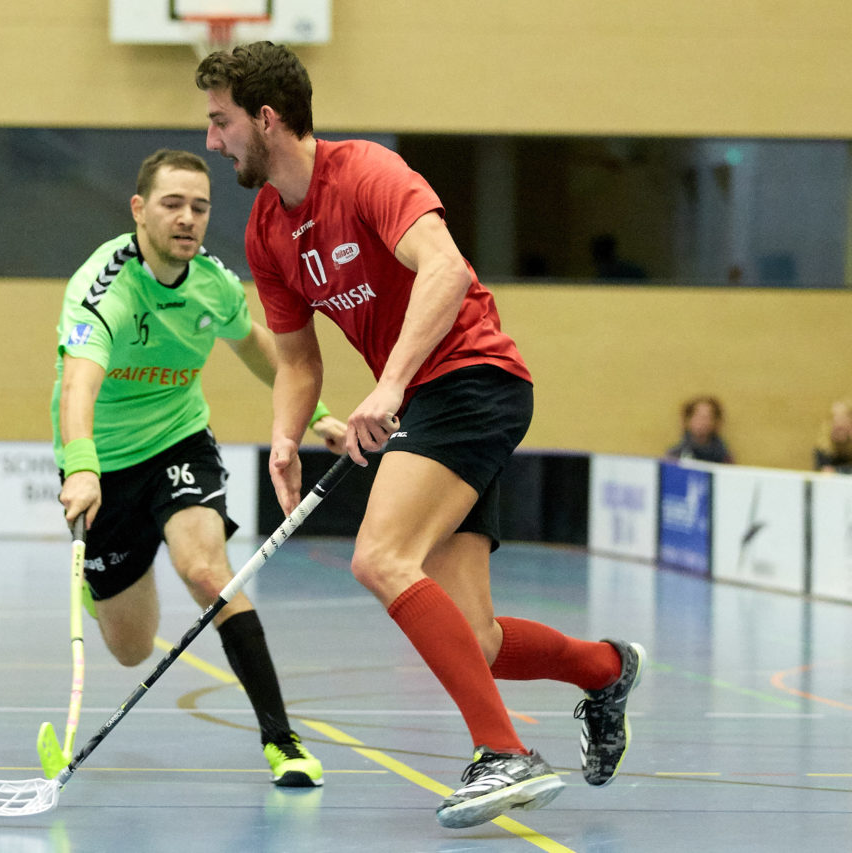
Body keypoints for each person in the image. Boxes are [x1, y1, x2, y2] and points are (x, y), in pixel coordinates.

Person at [197, 43, 645, 829]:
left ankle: (503, 754)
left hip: (471, 379)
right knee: (476, 636)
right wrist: (282, 436)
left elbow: (445, 269)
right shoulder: (268, 228)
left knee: (379, 556)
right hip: (425, 400)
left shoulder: (366, 172)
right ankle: (606, 669)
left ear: (265, 119)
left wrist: (392, 383)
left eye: (220, 121)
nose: (213, 140)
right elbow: (297, 355)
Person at [52, 148, 345, 788]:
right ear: (139, 209)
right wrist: (81, 468)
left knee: (207, 571)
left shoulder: (213, 282)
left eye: (200, 207)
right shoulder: (103, 288)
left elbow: (258, 348)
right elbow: (79, 387)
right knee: (131, 649)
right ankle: (101, 588)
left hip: (179, 441)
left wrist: (315, 412)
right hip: (103, 463)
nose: (187, 218)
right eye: (172, 204)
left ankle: (282, 741)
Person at [666, 395, 733, 463]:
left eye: (708, 417)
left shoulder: (724, 456)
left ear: (716, 422)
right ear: (688, 420)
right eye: (698, 417)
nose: (703, 422)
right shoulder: (675, 454)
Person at [814, 399, 852, 474]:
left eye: (843, 419)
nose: (838, 424)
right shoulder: (822, 448)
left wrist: (836, 471)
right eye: (835, 419)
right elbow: (823, 472)